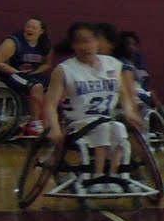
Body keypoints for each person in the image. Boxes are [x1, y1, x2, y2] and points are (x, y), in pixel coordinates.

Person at [43, 20, 144, 193]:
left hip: (106, 118)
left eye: (89, 40)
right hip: (78, 122)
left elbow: (124, 94)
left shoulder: (112, 64)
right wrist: (53, 128)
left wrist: (129, 112)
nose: (85, 46)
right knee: (104, 128)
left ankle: (114, 176)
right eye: (80, 42)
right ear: (73, 45)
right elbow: (50, 104)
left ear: (97, 42)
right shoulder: (64, 70)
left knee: (119, 128)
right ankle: (97, 177)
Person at [0, 17, 52, 136]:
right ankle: (34, 123)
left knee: (56, 87)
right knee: (37, 86)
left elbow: (47, 64)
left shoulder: (46, 45)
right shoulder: (14, 42)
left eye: (33, 27)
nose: (29, 29)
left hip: (31, 75)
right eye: (28, 26)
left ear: (41, 31)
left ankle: (51, 122)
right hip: (9, 74)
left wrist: (37, 71)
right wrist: (16, 72)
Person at [113, 30, 163, 113]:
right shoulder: (119, 62)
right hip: (134, 99)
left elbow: (145, 82)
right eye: (128, 44)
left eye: (134, 44)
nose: (131, 47)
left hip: (146, 96)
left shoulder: (138, 59)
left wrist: (155, 98)